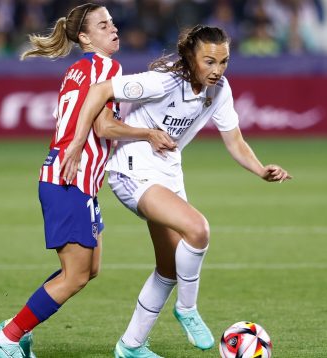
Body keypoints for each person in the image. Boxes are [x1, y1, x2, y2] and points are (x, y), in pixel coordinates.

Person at [62, 25, 292, 358]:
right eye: (209, 61)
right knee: (197, 229)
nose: (217, 70)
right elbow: (99, 90)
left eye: (223, 62)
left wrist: (261, 170)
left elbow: (235, 140)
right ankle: (187, 308)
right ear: (190, 57)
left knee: (169, 268)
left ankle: (130, 346)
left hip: (167, 176)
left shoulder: (220, 90)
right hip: (131, 171)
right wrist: (96, 138)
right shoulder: (164, 81)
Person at [0, 3, 176, 358]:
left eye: (113, 23)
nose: (113, 29)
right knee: (74, 275)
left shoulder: (77, 70)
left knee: (88, 270)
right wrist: (148, 134)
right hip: (69, 179)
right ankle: (7, 339)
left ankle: (16, 328)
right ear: (85, 37)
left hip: (73, 179)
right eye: (103, 26)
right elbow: (103, 126)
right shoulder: (107, 68)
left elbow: (86, 124)